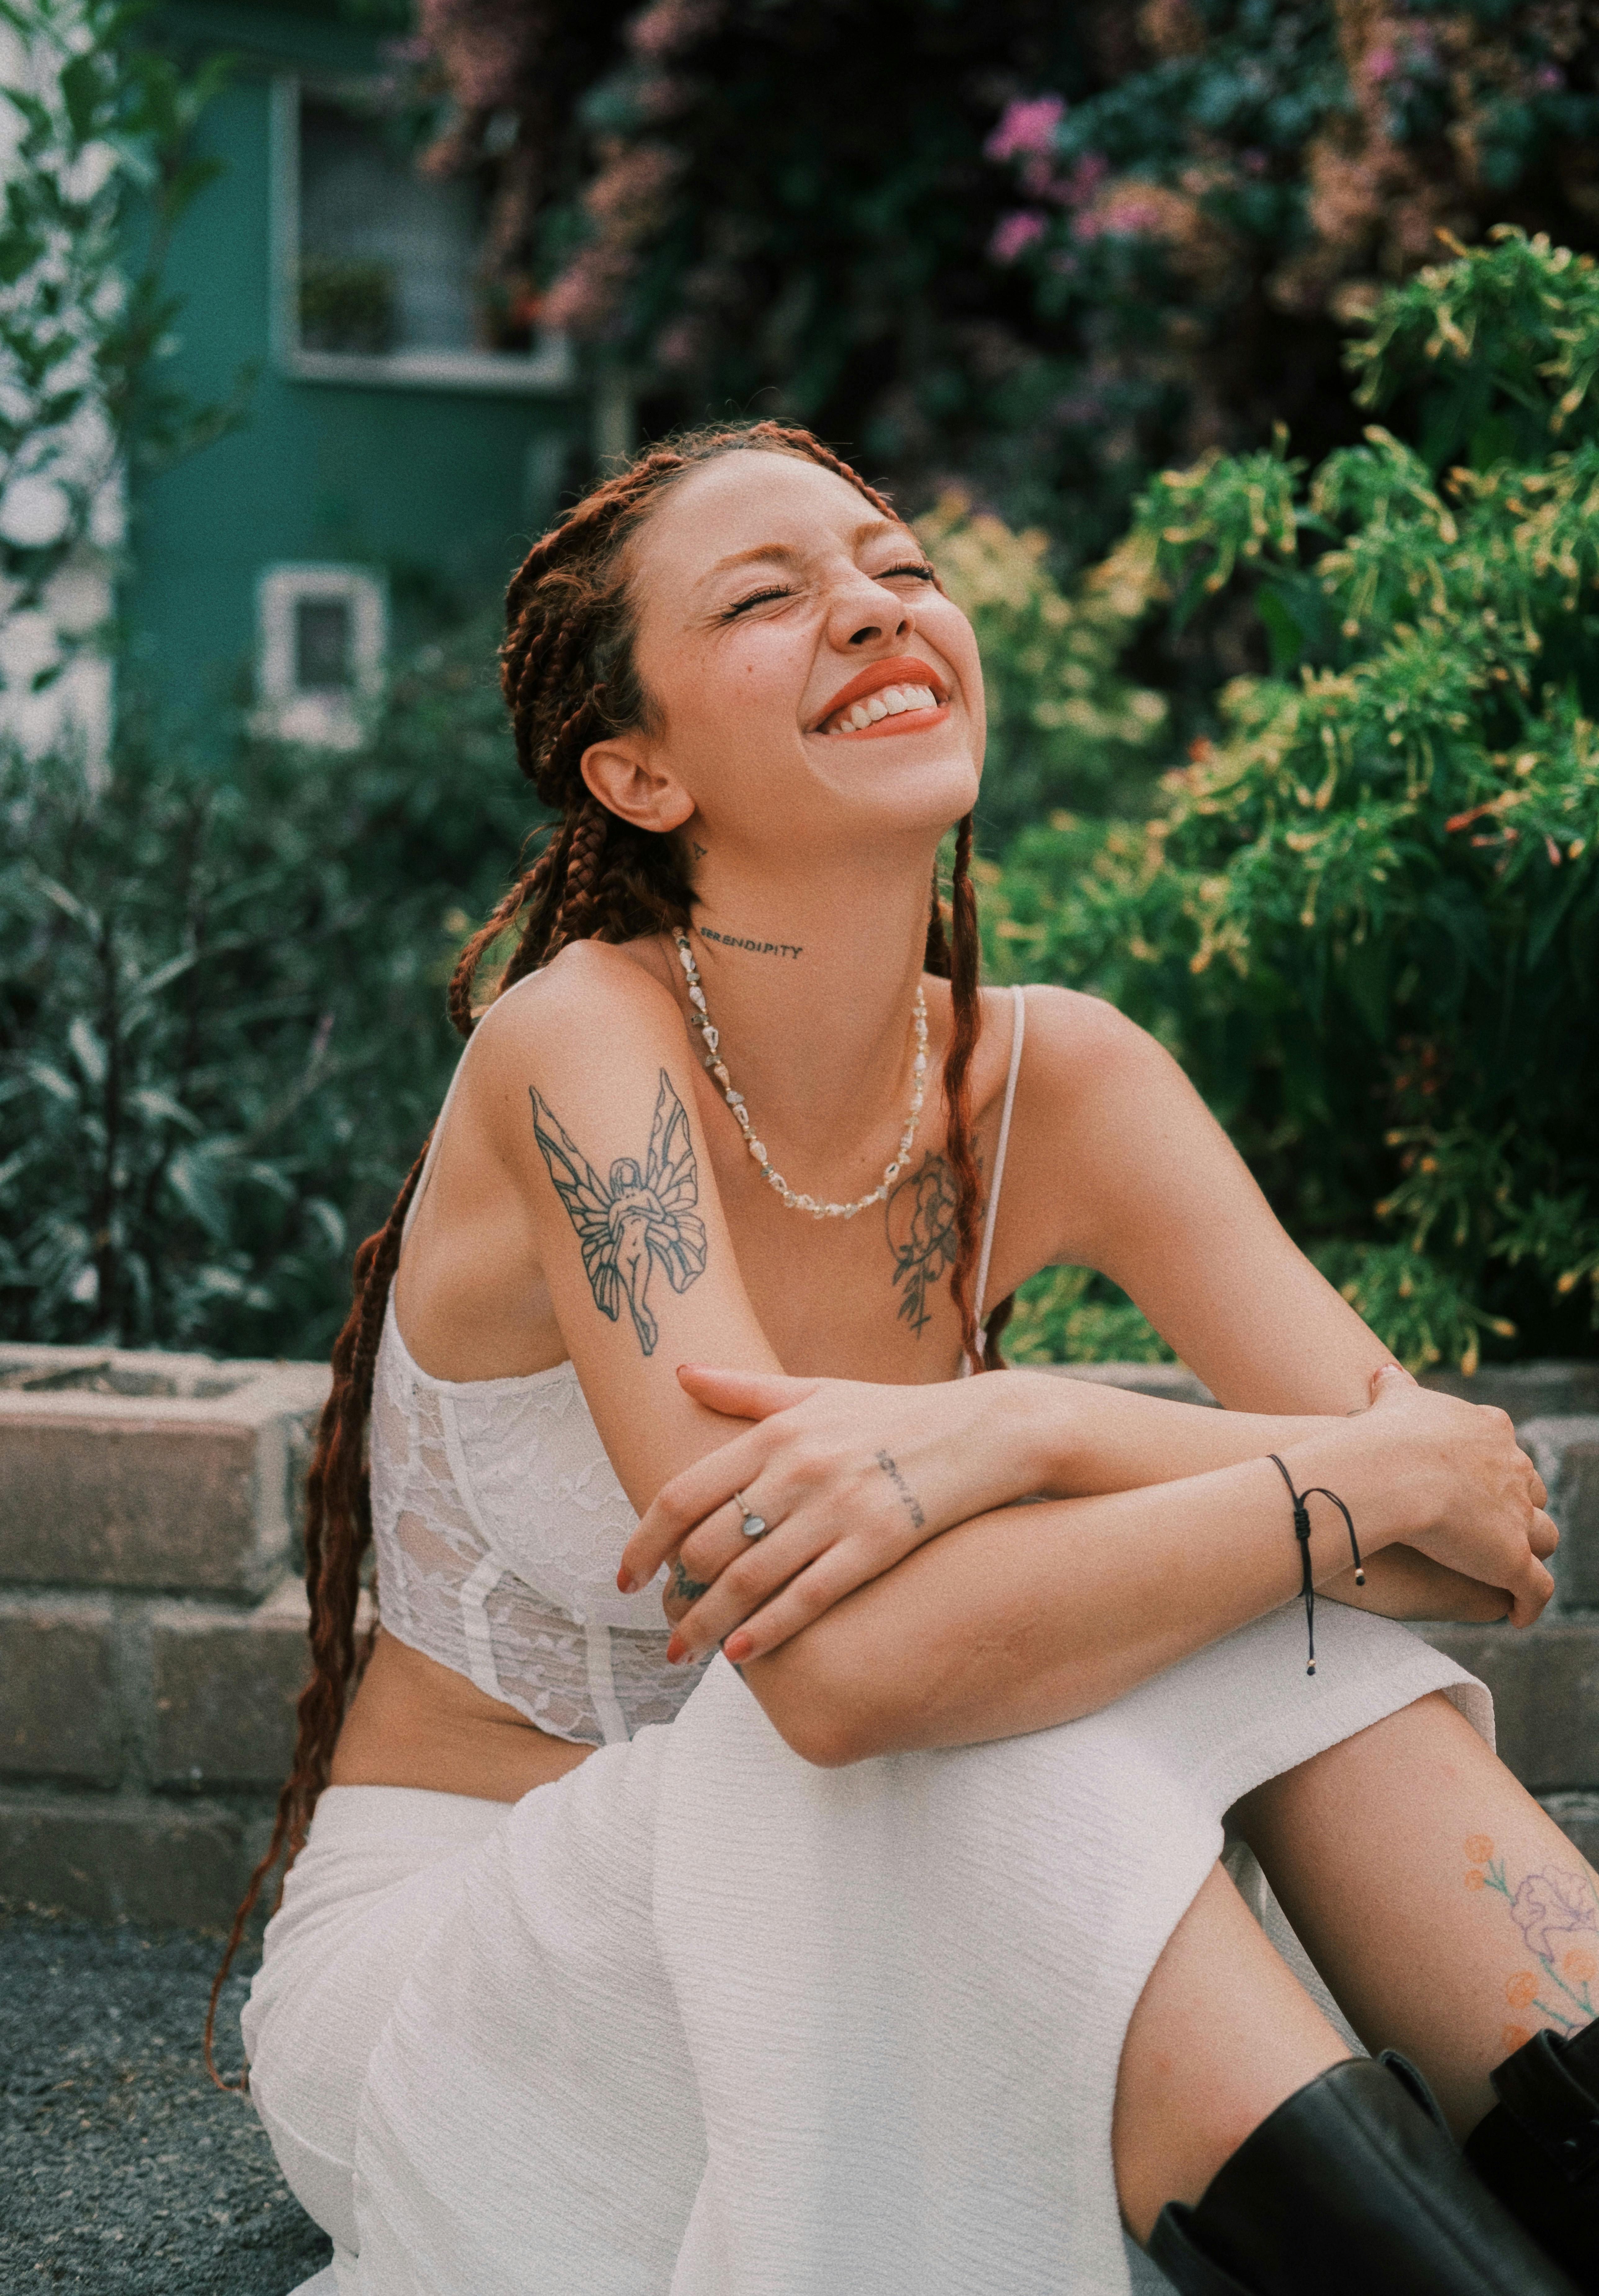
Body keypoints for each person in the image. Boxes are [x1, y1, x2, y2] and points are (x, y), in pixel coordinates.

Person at [220, 423, 1598, 2296]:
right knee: (967, 1731)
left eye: (896, 567)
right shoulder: (582, 1050)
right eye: (772, 597)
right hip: (487, 1982)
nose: (874, 608)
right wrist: (1289, 1467)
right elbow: (846, 1680)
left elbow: (1471, 1546)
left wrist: (1028, 1427)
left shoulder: (1067, 1078)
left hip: (894, 1865)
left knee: (1297, 1638)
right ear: (635, 770)